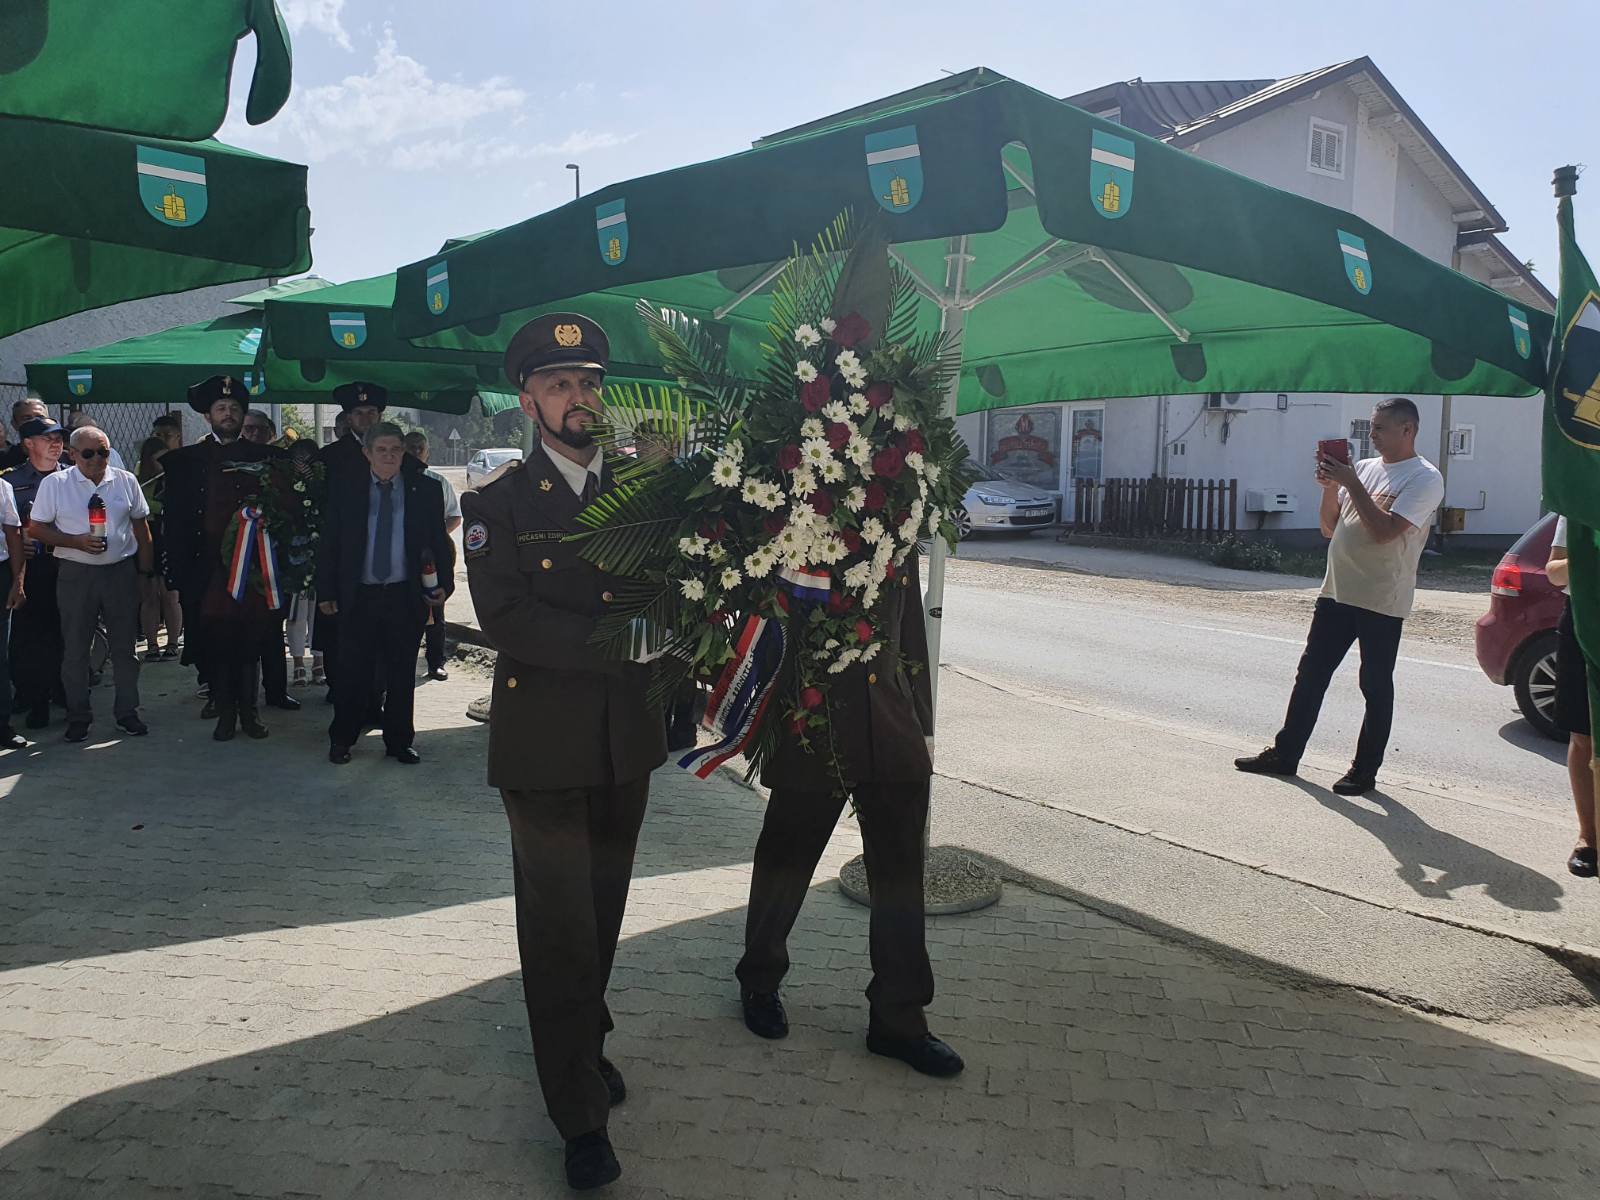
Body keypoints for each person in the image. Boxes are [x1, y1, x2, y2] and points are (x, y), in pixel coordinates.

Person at [461, 313, 665, 1192]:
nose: (576, 397)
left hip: (626, 741)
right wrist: (625, 641)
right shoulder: (495, 504)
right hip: (543, 744)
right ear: (527, 400)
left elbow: (678, 579)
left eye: (586, 383)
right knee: (558, 930)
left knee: (606, 911)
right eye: (556, 384)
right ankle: (578, 1117)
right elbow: (506, 618)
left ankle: (585, 1044)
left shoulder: (640, 489)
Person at [736, 553, 963, 1081]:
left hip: (890, 724)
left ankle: (898, 1018)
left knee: (902, 875)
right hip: (812, 722)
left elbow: (910, 633)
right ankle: (759, 979)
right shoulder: (800, 515)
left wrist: (922, 726)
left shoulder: (895, 510)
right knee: (786, 858)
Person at [1236, 398, 1445, 795]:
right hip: (1336, 590)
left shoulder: (1424, 478)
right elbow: (1329, 528)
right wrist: (1332, 488)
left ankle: (1364, 771)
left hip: (1382, 597)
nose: (1373, 436)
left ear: (1408, 430)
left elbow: (1386, 532)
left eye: (1381, 428)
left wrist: (1351, 483)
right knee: (1311, 675)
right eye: (1371, 427)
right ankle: (1286, 754)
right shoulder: (1363, 469)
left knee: (1375, 684)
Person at [318, 421, 453, 765]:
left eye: (396, 450)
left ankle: (399, 741)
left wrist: (444, 587)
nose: (389, 456)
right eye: (382, 450)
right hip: (358, 595)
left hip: (403, 596)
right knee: (352, 671)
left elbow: (439, 542)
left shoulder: (424, 490)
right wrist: (327, 590)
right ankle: (342, 739)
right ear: (367, 453)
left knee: (401, 672)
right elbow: (331, 543)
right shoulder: (346, 489)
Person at [165, 377, 286, 740]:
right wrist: (176, 570)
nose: (228, 414)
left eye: (234, 408)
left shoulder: (268, 458)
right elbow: (174, 521)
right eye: (221, 408)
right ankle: (223, 709)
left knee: (252, 640)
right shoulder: (184, 461)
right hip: (208, 568)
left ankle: (249, 712)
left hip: (253, 567)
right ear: (208, 415)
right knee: (216, 641)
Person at [27, 425, 152, 742]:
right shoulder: (57, 484)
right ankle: (78, 715)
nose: (98, 459)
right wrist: (75, 541)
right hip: (76, 572)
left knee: (125, 648)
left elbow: (142, 528)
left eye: (104, 452)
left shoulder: (125, 480)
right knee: (76, 650)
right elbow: (37, 529)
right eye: (89, 453)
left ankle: (127, 712)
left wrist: (146, 574)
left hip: (120, 571)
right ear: (72, 454)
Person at [3, 417, 69, 728]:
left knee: (67, 631)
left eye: (59, 438)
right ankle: (37, 698)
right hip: (33, 567)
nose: (56, 444)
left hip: (69, 562)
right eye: (48, 438)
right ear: (28, 444)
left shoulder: (74, 477)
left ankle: (65, 691)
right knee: (34, 636)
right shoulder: (11, 482)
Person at [1546, 517, 1597, 877]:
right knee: (1583, 735)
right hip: (1583, 619)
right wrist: (1586, 557)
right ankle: (1588, 838)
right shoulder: (1579, 503)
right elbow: (1554, 572)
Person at [404, 429, 461, 681]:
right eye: (411, 447)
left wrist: (434, 539)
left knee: (436, 611)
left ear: (428, 451)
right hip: (406, 557)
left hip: (433, 557)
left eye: (420, 447)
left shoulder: (438, 483)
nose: (416, 451)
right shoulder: (398, 480)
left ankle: (436, 662)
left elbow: (455, 516)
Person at [135, 437, 182, 660]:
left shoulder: (174, 479)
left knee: (170, 594)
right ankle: (152, 644)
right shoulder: (137, 479)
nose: (162, 465)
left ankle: (172, 643)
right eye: (157, 460)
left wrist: (152, 507)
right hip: (145, 538)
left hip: (168, 537)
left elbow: (174, 506)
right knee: (149, 595)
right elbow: (135, 506)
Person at [0, 470, 27, 748]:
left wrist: (18, 582)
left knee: (0, 657)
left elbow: (13, 534)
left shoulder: (2, 487)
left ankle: (3, 726)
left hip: (0, 575)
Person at [0, 397, 48, 470]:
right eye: (27, 418)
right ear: (14, 424)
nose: (34, 422)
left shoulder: (63, 457)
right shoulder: (3, 459)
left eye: (40, 417)